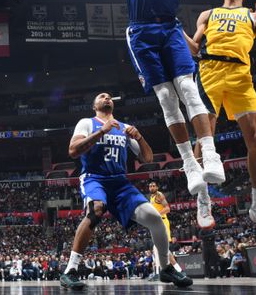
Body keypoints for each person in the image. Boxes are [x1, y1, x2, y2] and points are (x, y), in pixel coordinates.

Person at [125, 0, 232, 208]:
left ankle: (210, 155)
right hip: (141, 31)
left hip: (171, 29)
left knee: (187, 87)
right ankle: (188, 163)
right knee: (166, 98)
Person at [59, 92, 192, 290]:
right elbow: (73, 150)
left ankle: (166, 268)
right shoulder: (87, 123)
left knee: (155, 218)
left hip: (120, 183)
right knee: (96, 209)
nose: (107, 98)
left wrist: (140, 137)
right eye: (102, 96)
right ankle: (70, 271)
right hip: (95, 178)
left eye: (109, 97)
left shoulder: (123, 128)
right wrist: (101, 132)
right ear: (94, 105)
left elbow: (147, 158)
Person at [184, 0, 256, 238]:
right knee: (205, 137)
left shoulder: (253, 16)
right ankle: (203, 201)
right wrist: (175, 29)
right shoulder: (208, 14)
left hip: (240, 75)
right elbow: (194, 48)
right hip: (209, 71)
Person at [147, 181, 183, 279]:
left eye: (154, 186)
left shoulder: (159, 195)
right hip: (157, 223)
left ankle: (163, 272)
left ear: (157, 187)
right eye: (150, 186)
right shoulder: (152, 197)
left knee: (161, 248)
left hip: (162, 222)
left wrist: (156, 214)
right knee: (161, 249)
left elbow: (167, 209)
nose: (152, 187)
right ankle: (176, 270)